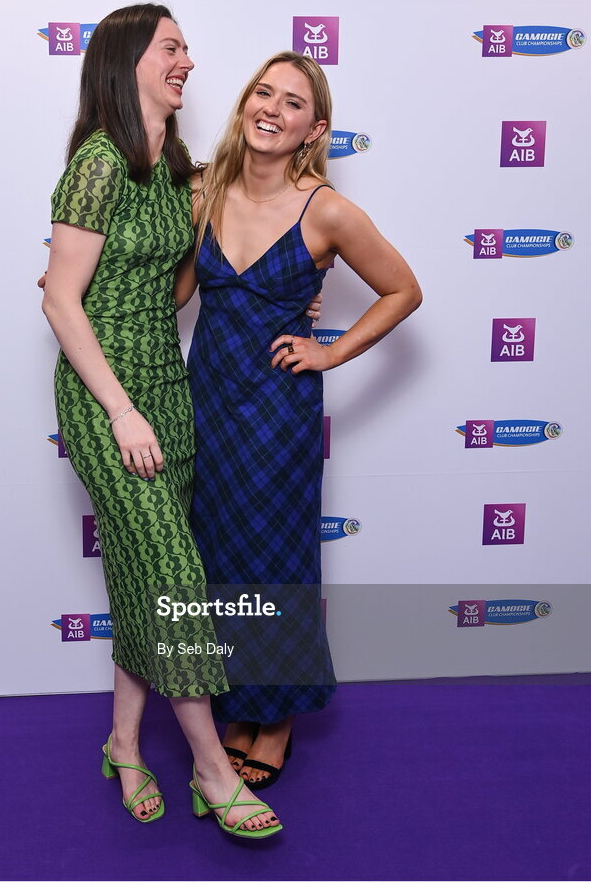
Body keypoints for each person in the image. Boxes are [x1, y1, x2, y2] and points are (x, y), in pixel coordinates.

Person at [41, 4, 283, 838]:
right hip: (109, 400)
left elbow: (181, 286)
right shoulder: (99, 166)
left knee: (146, 577)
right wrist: (118, 411)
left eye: (184, 49)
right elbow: (59, 299)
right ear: (128, 61)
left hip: (166, 392)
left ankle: (124, 743)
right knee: (176, 581)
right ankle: (214, 774)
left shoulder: (176, 170)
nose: (187, 60)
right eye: (171, 48)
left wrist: (291, 292)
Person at [176, 51, 422, 789]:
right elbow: (175, 292)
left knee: (276, 559)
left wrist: (330, 352)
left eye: (291, 103)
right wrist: (81, 279)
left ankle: (274, 719)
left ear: (313, 129)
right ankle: (240, 704)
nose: (271, 110)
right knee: (219, 556)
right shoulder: (204, 192)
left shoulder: (328, 210)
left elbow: (401, 291)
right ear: (245, 104)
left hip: (277, 412)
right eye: (262, 93)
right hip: (209, 401)